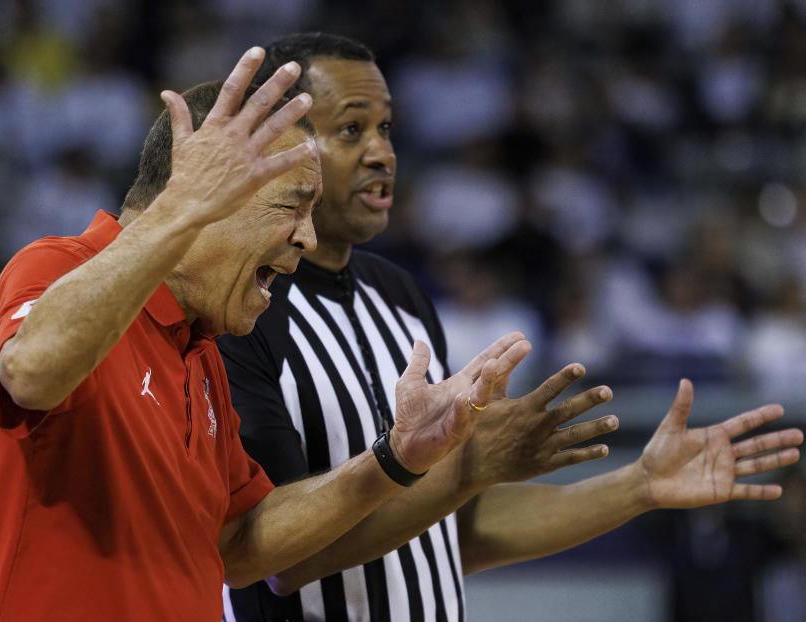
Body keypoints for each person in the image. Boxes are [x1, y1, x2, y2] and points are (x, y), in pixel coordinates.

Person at [0, 48, 602, 622]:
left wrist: (395, 458)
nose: (307, 238)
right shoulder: (56, 267)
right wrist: (181, 210)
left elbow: (240, 543)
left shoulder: (201, 356)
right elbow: (33, 371)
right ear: (202, 199)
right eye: (291, 206)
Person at [217, 33, 804, 621]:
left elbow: (456, 531)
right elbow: (275, 559)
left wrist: (639, 485)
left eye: (387, 128)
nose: (381, 153)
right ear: (279, 141)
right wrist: (463, 473)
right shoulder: (242, 306)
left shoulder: (401, 295)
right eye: (351, 129)